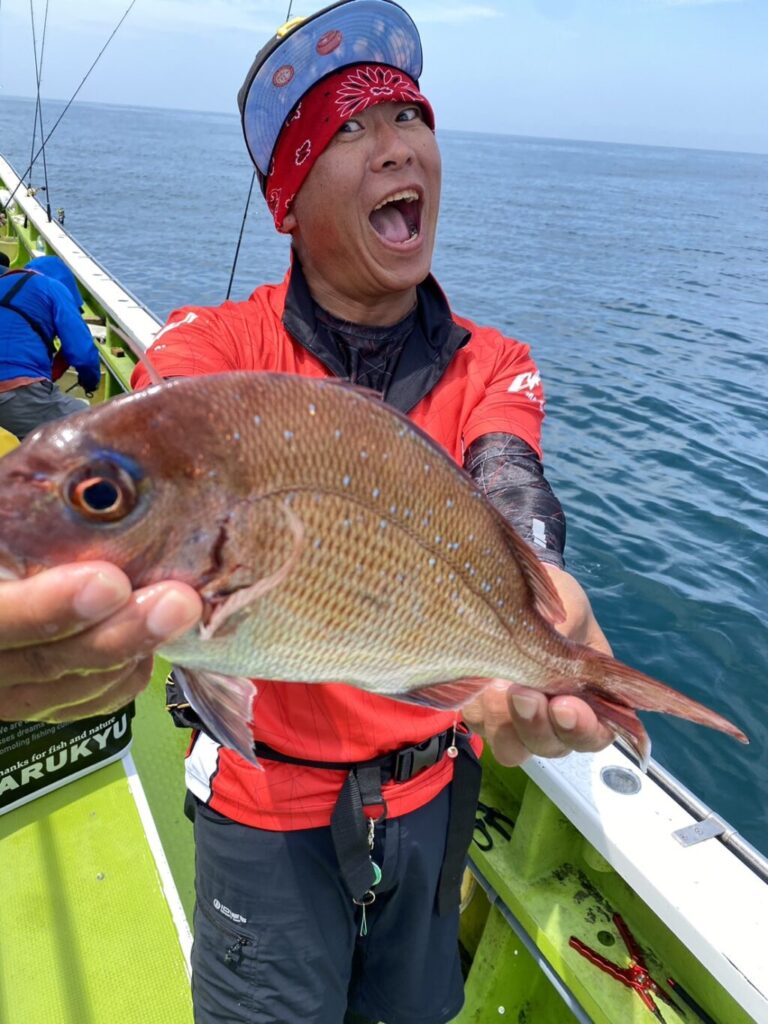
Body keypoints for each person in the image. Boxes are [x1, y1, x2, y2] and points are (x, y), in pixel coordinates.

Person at [0, 2, 614, 1022]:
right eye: (348, 128)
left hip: (433, 796)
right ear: (286, 198)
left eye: (408, 115)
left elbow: (511, 481)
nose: (395, 145)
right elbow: (159, 418)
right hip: (263, 812)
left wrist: (545, 601)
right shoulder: (214, 349)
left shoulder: (494, 361)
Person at [0, 253, 101, 439]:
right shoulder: (51, 286)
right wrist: (91, 382)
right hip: (15, 395)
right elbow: (83, 354)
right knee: (99, 426)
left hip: (14, 391)